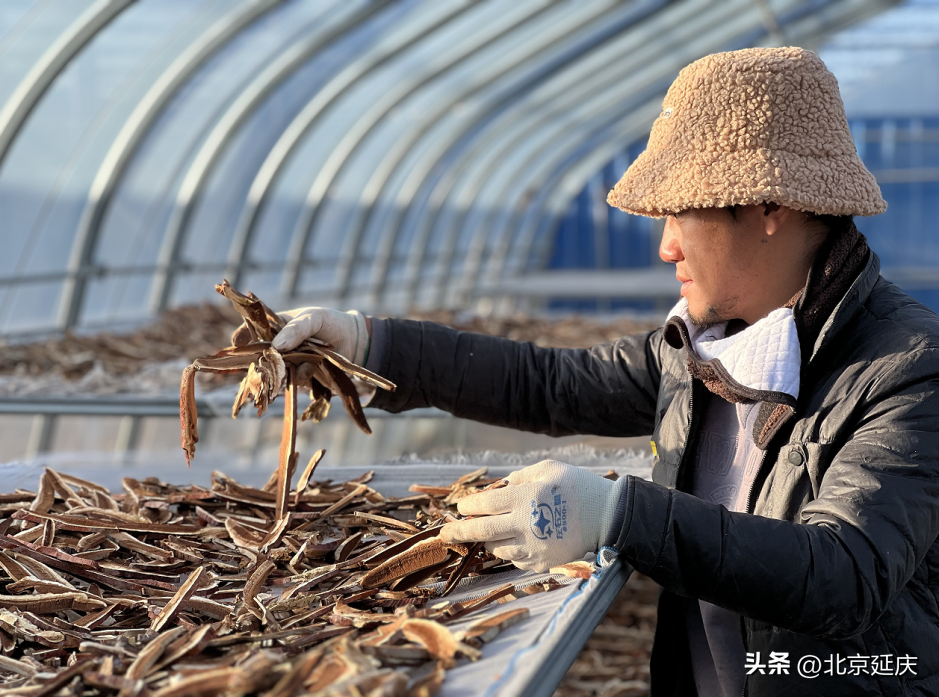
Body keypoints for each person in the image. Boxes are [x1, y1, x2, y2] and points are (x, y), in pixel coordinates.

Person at [272, 48, 939, 696]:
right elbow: (549, 384)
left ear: (770, 206)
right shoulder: (703, 348)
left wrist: (622, 513)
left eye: (679, 212)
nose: (664, 245)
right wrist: (370, 347)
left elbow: (843, 575)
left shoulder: (904, 368)